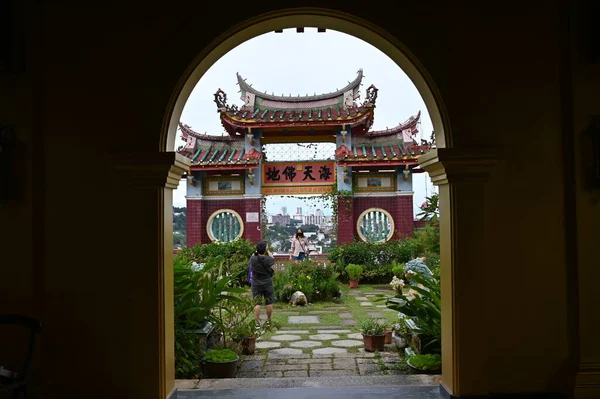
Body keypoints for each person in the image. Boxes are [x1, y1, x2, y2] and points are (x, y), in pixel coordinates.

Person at [250, 240, 275, 327]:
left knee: (257, 303)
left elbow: (254, 254)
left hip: (256, 283)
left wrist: (258, 250)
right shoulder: (268, 259)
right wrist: (268, 251)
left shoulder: (253, 259)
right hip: (267, 282)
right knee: (269, 302)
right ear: (265, 249)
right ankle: (268, 321)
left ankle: (257, 323)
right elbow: (272, 258)